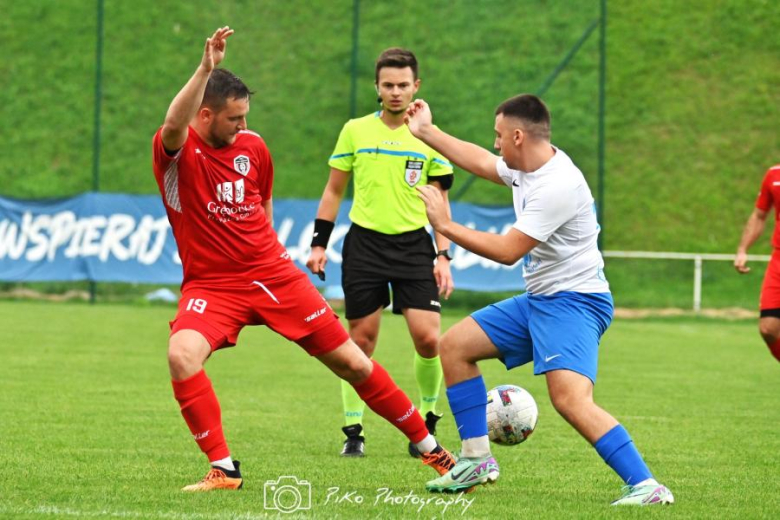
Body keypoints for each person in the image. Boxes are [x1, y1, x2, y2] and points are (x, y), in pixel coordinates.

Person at [152, 27, 455, 492]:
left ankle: (429, 448)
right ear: (206, 114)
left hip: (274, 276)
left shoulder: (253, 148)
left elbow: (263, 205)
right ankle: (224, 469)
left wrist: (265, 253)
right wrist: (205, 67)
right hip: (211, 286)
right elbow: (174, 124)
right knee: (181, 355)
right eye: (234, 118)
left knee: (354, 363)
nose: (243, 126)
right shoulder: (177, 151)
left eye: (246, 117)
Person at [404, 94, 674, 506]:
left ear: (517, 135)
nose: (495, 144)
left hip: (576, 303)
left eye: (498, 136)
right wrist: (427, 132)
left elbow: (509, 250)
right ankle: (476, 459)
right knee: (455, 347)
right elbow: (478, 160)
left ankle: (647, 486)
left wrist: (445, 225)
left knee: (570, 400)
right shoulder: (526, 166)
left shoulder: (558, 185)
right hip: (543, 299)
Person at [305, 48, 455, 458]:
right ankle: (354, 429)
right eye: (388, 84)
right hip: (365, 245)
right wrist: (319, 243)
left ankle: (427, 418)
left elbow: (440, 201)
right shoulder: (355, 130)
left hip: (412, 246)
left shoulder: (430, 137)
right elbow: (334, 190)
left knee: (428, 339)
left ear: (416, 87)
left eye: (403, 85)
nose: (395, 92)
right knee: (360, 342)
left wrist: (444, 255)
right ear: (377, 87)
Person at [735, 164, 780, 362]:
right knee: (768, 328)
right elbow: (759, 215)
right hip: (779, 260)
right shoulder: (774, 174)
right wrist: (743, 249)